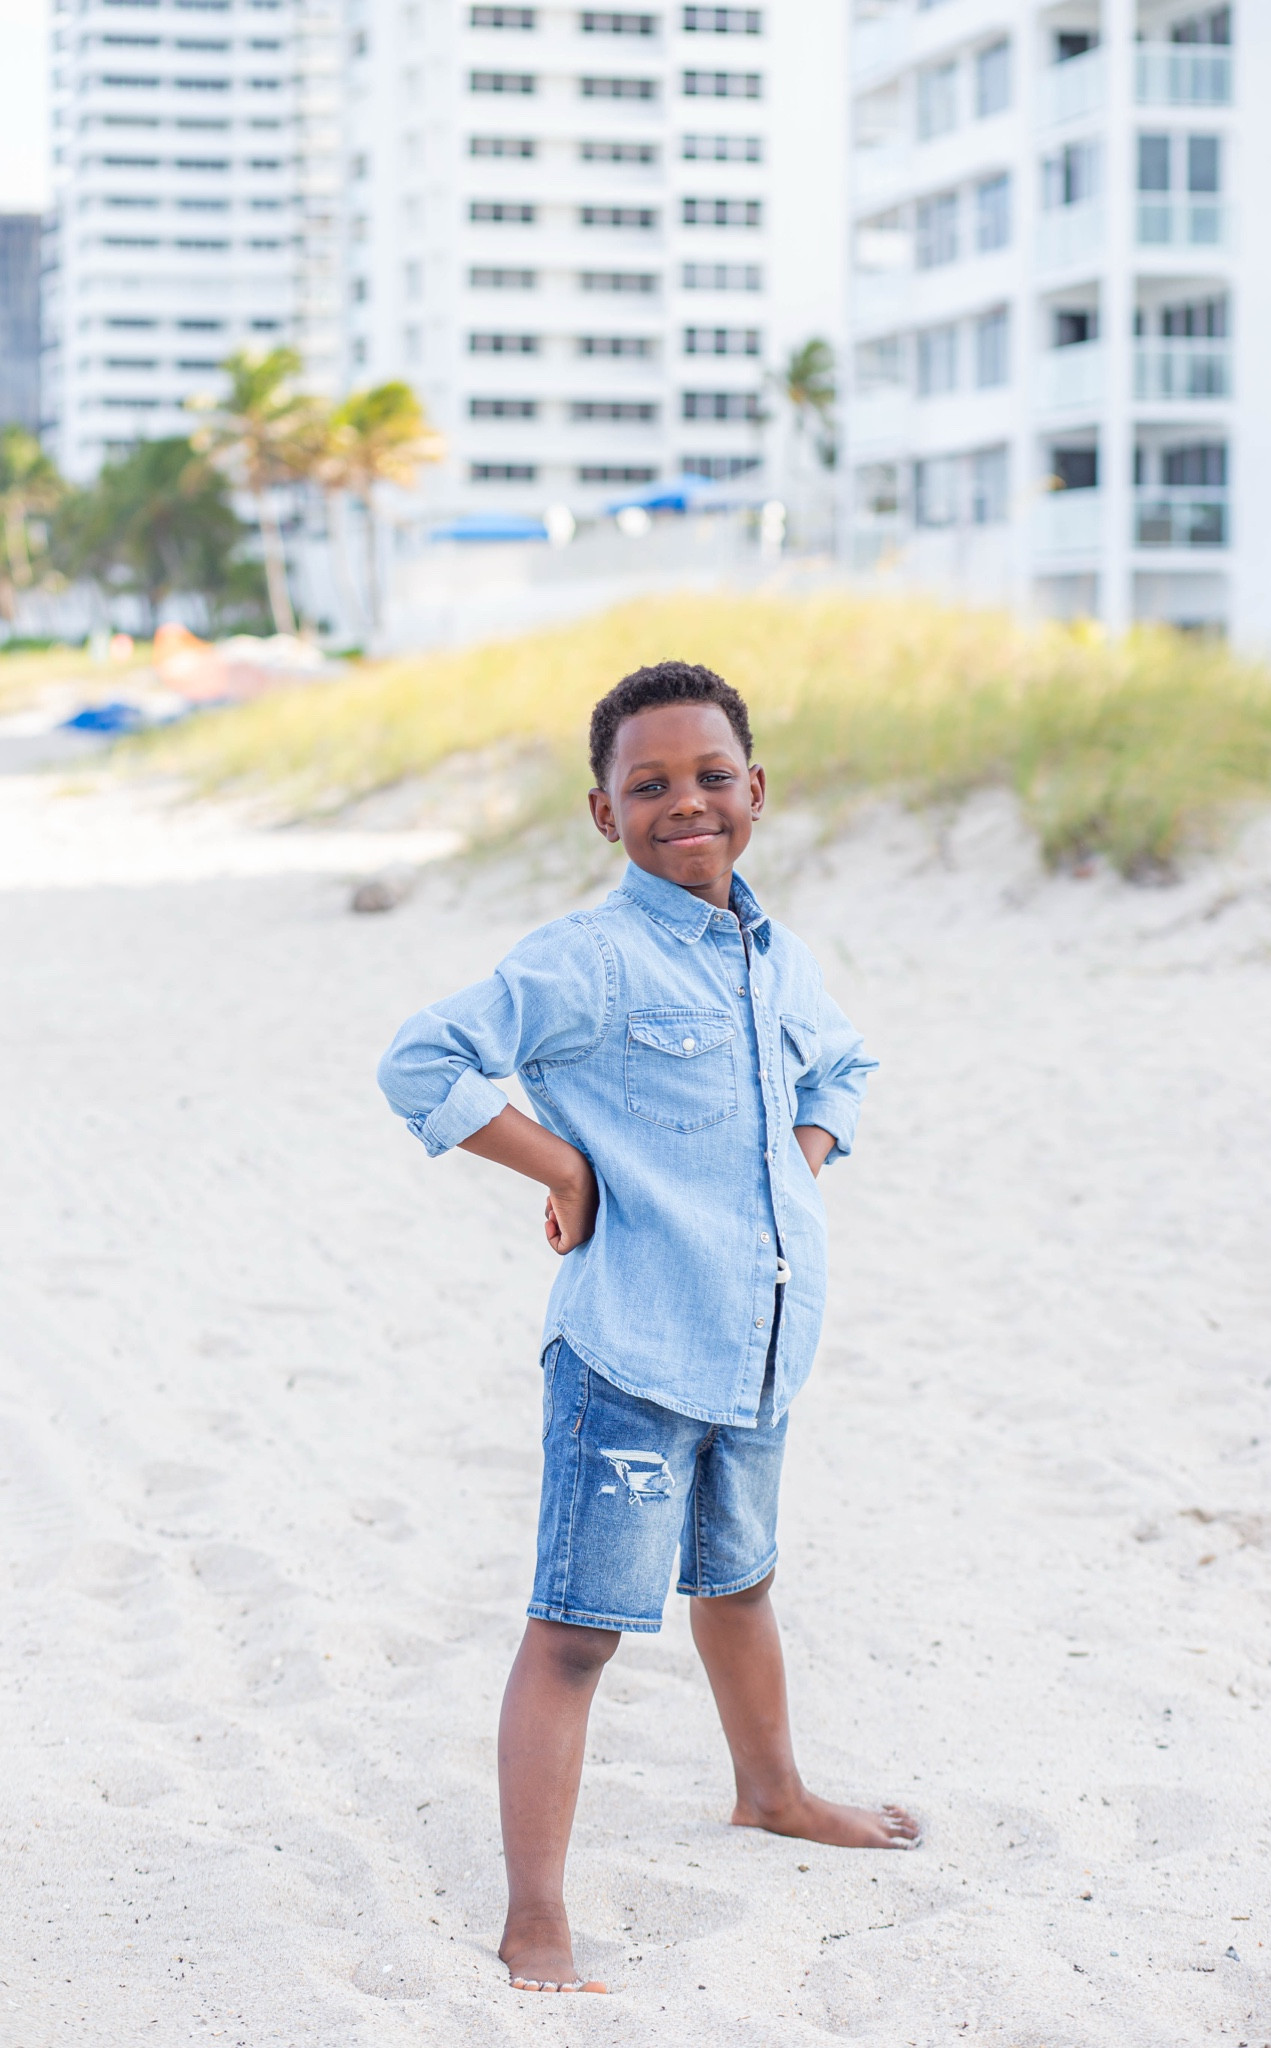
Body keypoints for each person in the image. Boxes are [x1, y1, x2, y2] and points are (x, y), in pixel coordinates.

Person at [377, 660, 920, 1996]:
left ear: (755, 789)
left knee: (739, 1583)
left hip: (759, 1344)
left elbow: (841, 1065)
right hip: (628, 1357)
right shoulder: (589, 960)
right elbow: (420, 1061)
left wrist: (797, 1159)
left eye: (710, 777)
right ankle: (537, 1921)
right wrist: (563, 1168)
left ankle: (772, 1790)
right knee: (575, 1633)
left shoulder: (770, 952)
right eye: (650, 786)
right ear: (601, 812)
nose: (687, 803)